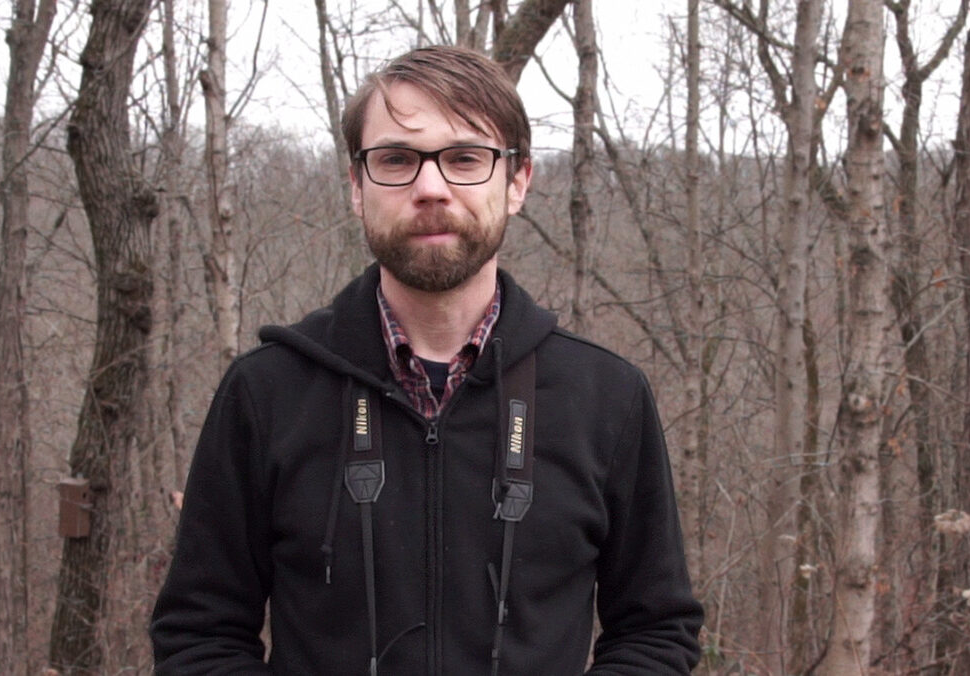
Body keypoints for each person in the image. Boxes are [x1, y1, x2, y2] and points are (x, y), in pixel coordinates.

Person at [150, 45, 703, 675]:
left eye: (465, 158)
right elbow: (200, 635)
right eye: (396, 160)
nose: (431, 187)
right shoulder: (267, 392)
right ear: (357, 186)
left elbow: (656, 632)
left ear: (517, 181)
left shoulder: (605, 397)